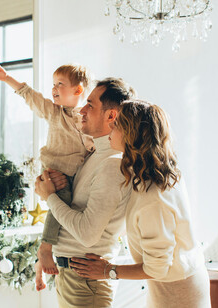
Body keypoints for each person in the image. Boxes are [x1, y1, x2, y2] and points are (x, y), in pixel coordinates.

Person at [68, 100, 211, 308]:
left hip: (178, 291)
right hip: (175, 282)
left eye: (116, 125)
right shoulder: (157, 171)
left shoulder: (152, 198)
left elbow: (158, 268)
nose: (110, 127)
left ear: (131, 134)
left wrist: (108, 271)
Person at [0, 63, 94, 291]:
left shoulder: (86, 117)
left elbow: (93, 144)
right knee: (61, 204)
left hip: (74, 176)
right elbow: (30, 95)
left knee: (66, 220)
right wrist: (6, 78)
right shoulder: (54, 112)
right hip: (55, 173)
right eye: (53, 84)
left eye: (60, 84)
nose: (54, 88)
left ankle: (40, 268)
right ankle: (45, 249)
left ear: (78, 91)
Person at [35, 78, 136, 307]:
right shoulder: (93, 155)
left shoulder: (112, 164)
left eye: (90, 104)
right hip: (74, 277)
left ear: (111, 116)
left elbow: (87, 235)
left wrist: (49, 196)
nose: (81, 109)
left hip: (85, 282)